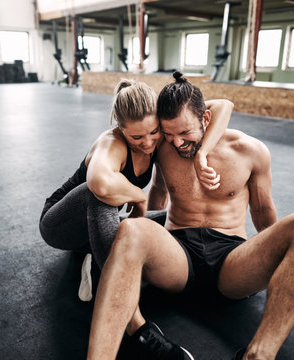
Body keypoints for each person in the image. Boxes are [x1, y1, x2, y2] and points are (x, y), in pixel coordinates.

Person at [86, 72, 294, 360]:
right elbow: (158, 189)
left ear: (206, 119)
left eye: (185, 133)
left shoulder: (250, 151)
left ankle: (259, 354)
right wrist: (141, 243)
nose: (176, 143)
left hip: (231, 262)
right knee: (131, 229)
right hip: (178, 258)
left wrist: (276, 263)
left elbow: (263, 212)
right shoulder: (162, 146)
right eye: (168, 134)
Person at [39, 78, 234, 301]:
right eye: (137, 137)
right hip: (59, 225)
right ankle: (116, 292)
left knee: (179, 219)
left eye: (154, 131)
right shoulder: (111, 142)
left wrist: (201, 154)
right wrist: (139, 196)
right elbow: (100, 184)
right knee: (96, 194)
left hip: (100, 223)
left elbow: (223, 106)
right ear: (121, 129)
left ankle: (94, 251)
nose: (149, 143)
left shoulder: (157, 133)